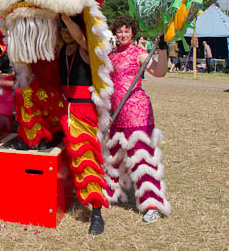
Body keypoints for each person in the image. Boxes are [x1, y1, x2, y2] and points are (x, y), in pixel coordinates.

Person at [104, 15, 171, 223]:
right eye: (119, 31)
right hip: (115, 114)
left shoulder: (140, 54)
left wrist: (163, 49)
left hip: (137, 113)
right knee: (113, 155)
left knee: (142, 159)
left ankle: (152, 205)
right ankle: (114, 193)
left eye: (127, 31)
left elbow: (160, 72)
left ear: (133, 33)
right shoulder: (111, 55)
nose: (123, 34)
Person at [57, 14, 108, 235]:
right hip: (63, 109)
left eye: (69, 29)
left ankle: (96, 213)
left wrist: (65, 14)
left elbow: (79, 37)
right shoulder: (59, 49)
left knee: (87, 159)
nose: (66, 32)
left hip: (83, 110)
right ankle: (69, 197)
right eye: (62, 29)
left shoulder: (85, 49)